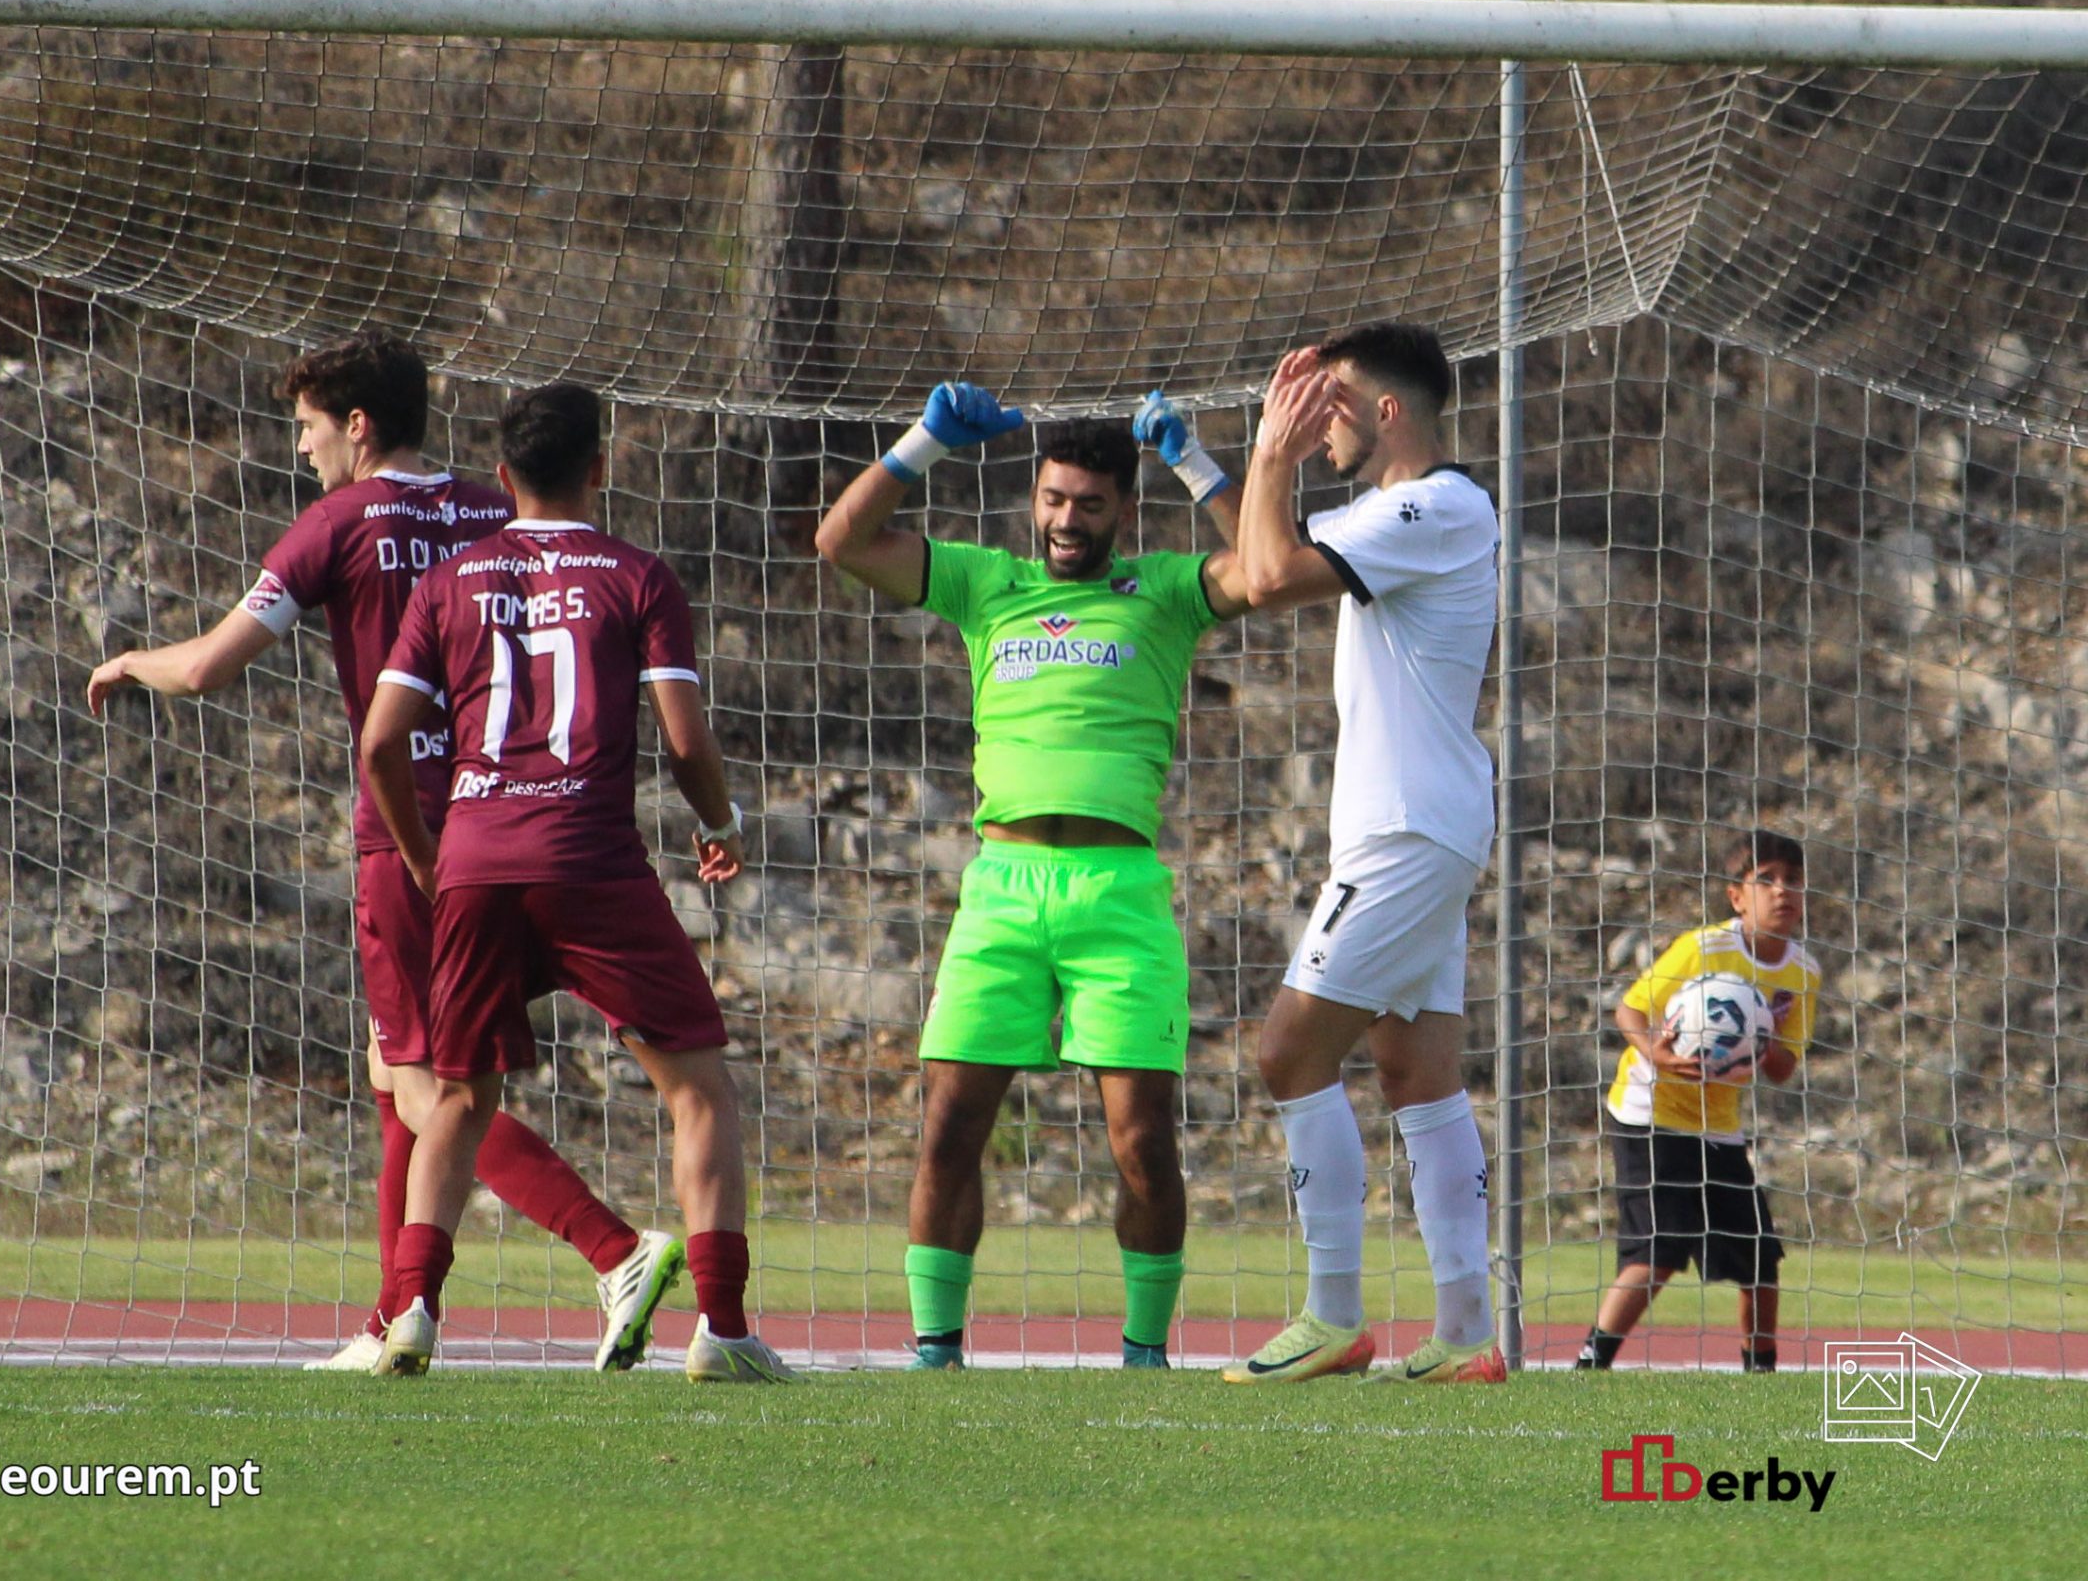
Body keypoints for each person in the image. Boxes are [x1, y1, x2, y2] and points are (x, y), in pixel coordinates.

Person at [86, 332, 678, 1374]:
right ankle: (396, 1315)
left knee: (431, 1082)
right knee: (396, 1062)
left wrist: (136, 658)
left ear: (357, 425)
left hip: (413, 828)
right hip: (532, 811)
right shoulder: (501, 511)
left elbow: (214, 664)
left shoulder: (340, 520)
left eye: (310, 429)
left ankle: (614, 1248)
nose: (304, 451)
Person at [362, 381, 795, 1384]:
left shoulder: (452, 579)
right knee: (697, 1087)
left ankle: (414, 1310)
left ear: (502, 476)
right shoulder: (637, 575)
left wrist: (431, 854)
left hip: (473, 855)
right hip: (590, 857)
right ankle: (722, 1330)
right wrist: (721, 823)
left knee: (459, 1097)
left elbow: (381, 741)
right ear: (601, 466)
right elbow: (686, 741)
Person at [813, 379, 1250, 1370]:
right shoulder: (986, 583)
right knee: (949, 1122)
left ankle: (1144, 1351)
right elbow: (840, 541)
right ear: (1033, 498)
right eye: (1053, 499)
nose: (1065, 519)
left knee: (1141, 1138)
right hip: (1001, 886)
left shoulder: (1167, 591)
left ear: (1124, 511)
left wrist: (1198, 462)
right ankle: (936, 1351)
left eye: (1089, 504)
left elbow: (1270, 562)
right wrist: (921, 441)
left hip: (1118, 892)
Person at [1226, 321, 1506, 1385]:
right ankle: (1467, 1334)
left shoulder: (1433, 503)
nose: (1315, 419)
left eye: (1329, 399)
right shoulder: (1406, 513)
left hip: (1402, 831)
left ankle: (1332, 1313)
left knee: (1289, 1053)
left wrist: (1266, 453)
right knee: (1412, 1068)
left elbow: (1264, 576)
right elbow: (1267, 552)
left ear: (1386, 411)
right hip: (1421, 825)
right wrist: (1221, 465)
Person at [1579, 829, 1817, 1373]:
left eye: (1794, 882)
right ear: (1737, 896)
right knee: (1659, 1250)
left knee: (1759, 1259)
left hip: (1717, 1126)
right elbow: (1630, 1011)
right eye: (1767, 880)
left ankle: (1761, 1374)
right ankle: (1590, 1366)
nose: (1784, 892)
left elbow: (1783, 1069)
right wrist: (1656, 1054)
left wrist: (1756, 1032)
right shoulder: (1705, 948)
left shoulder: (1802, 974)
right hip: (1649, 1111)